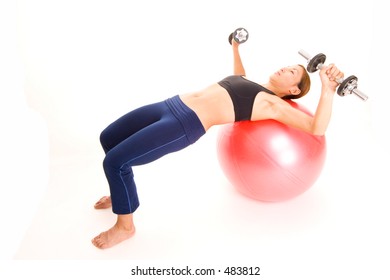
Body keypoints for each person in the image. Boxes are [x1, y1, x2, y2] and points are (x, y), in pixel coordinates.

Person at [91, 37, 344, 249]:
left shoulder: (272, 104)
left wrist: (328, 89)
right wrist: (235, 47)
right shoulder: (252, 83)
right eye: (289, 65)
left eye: (292, 72)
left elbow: (316, 127)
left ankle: (125, 226)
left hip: (183, 125)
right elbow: (238, 76)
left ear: (294, 91)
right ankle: (119, 194)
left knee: (115, 162)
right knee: (109, 138)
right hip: (170, 105)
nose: (285, 68)